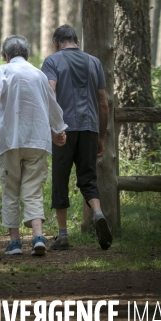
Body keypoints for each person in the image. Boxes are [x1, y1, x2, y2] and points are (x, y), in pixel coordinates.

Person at [0, 35, 67, 257]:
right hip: (37, 139)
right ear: (27, 55)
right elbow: (52, 103)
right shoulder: (39, 74)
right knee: (33, 190)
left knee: (11, 190)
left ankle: (14, 242)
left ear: (6, 56)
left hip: (10, 140)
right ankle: (38, 237)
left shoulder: (2, 71)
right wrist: (58, 129)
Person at [41, 24, 112, 251]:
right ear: (77, 41)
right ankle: (98, 212)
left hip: (64, 129)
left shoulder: (52, 61)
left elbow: (51, 93)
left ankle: (62, 236)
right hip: (90, 128)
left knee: (60, 178)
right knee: (88, 178)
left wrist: (54, 127)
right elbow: (103, 102)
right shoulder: (94, 62)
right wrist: (101, 136)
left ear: (56, 43)